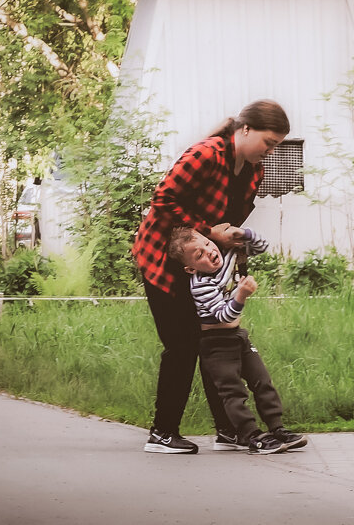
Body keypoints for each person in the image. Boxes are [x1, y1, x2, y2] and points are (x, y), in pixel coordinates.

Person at [132, 99, 290, 454]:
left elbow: (229, 220)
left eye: (276, 145)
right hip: (163, 259)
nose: (270, 151)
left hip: (204, 261)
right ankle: (162, 433)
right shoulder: (206, 154)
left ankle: (230, 430)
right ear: (245, 130)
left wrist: (232, 244)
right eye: (268, 142)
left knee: (215, 341)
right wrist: (209, 232)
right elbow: (162, 201)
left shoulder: (253, 170)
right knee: (183, 344)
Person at [168, 225, 308, 454]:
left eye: (207, 244)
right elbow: (224, 315)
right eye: (199, 255)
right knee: (233, 392)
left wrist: (241, 234)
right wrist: (241, 295)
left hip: (238, 337)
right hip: (216, 344)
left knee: (262, 381)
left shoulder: (227, 254)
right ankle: (251, 435)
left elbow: (261, 246)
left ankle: (277, 428)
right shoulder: (201, 284)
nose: (209, 252)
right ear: (190, 268)